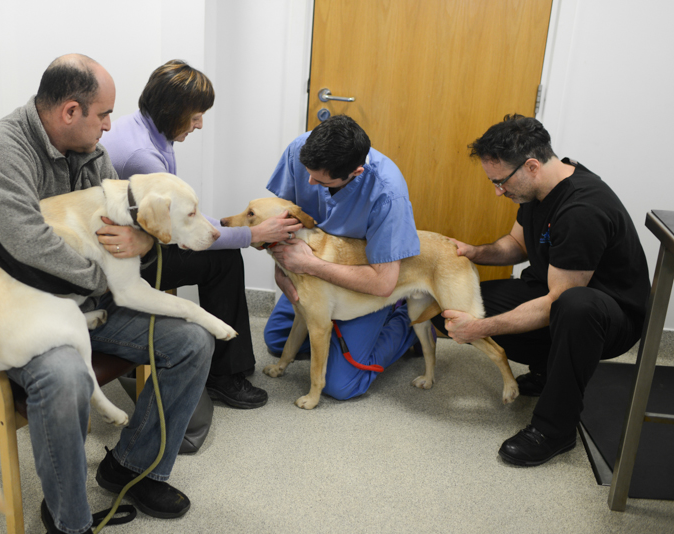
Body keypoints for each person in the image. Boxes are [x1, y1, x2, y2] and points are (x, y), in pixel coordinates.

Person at [0, 54, 211, 534]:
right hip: (7, 303)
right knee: (63, 377)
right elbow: (27, 248)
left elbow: (122, 231)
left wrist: (143, 242)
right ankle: (68, 519)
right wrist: (112, 279)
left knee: (192, 342)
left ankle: (131, 467)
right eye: (103, 114)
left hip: (77, 301)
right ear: (70, 111)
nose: (111, 125)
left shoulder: (92, 154)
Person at [434, 114, 649, 467]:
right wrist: (475, 252)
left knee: (574, 306)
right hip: (554, 297)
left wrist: (481, 329)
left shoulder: (582, 209)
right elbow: (515, 245)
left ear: (531, 166)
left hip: (608, 317)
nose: (498, 191)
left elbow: (556, 303)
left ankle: (555, 429)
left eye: (500, 182)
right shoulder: (537, 190)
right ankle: (551, 369)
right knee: (455, 311)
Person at [100, 60, 302, 409]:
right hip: (125, 258)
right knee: (223, 258)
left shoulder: (144, 129)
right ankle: (224, 377)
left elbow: (183, 215)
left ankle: (228, 364)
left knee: (221, 246)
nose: (200, 124)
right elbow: (179, 232)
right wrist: (252, 234)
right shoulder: (143, 155)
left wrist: (230, 229)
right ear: (170, 109)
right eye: (195, 116)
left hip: (135, 239)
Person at [263, 114, 421, 400]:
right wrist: (281, 269)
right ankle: (339, 331)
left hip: (361, 282)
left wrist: (310, 265)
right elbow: (280, 220)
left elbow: (383, 283)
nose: (308, 181)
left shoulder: (388, 193)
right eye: (307, 171)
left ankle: (405, 321)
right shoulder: (300, 150)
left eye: (320, 180)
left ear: (356, 173)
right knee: (276, 341)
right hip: (313, 276)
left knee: (341, 385)